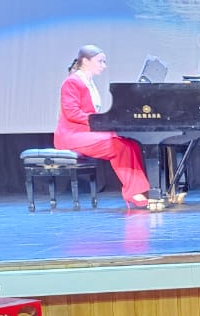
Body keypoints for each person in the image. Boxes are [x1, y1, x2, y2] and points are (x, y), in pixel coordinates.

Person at [53, 45, 150, 209]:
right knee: (118, 145)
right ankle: (133, 192)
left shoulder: (88, 82)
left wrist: (105, 122)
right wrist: (101, 122)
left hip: (86, 133)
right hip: (71, 135)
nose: (104, 65)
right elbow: (71, 113)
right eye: (100, 61)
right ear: (85, 61)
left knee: (130, 143)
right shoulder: (72, 82)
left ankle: (142, 190)